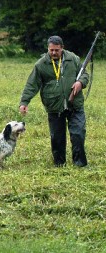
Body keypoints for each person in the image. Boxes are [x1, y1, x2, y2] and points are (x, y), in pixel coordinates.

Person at [19, 35, 89, 167]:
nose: (53, 53)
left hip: (75, 104)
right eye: (51, 50)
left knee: (78, 134)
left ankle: (80, 164)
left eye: (56, 50)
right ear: (48, 49)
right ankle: (59, 164)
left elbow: (84, 73)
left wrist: (80, 82)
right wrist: (24, 102)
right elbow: (31, 84)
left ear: (62, 48)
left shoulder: (73, 59)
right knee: (57, 138)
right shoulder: (41, 64)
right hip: (54, 106)